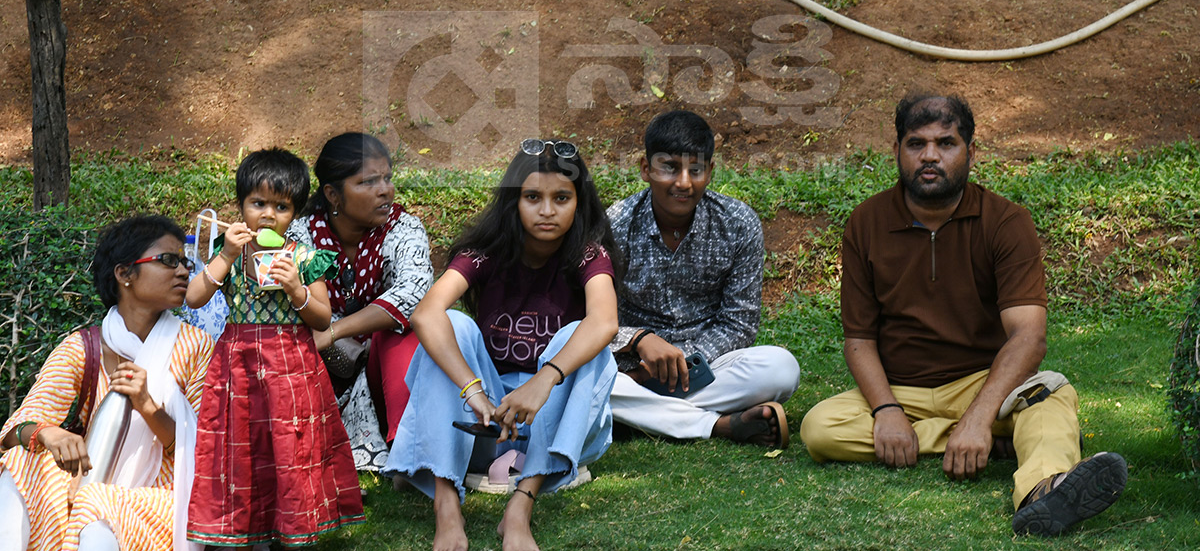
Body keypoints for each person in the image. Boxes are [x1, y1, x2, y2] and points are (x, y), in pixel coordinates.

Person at [799, 93, 1128, 537]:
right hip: (903, 389)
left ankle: (1042, 491)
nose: (930, 156)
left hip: (984, 383)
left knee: (1050, 395)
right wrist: (887, 410)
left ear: (970, 152)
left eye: (946, 143)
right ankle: (995, 444)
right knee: (819, 429)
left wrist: (977, 416)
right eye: (916, 143)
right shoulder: (866, 221)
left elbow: (1028, 337)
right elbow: (859, 338)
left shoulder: (1006, 222)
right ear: (897, 151)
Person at [385, 139, 618, 551]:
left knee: (582, 337)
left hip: (559, 429)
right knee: (452, 324)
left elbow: (605, 322)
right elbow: (425, 313)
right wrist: (473, 391)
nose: (547, 210)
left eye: (561, 198)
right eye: (533, 197)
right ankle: (447, 504)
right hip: (483, 425)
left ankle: (520, 507)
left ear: (579, 203)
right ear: (515, 200)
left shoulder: (588, 254)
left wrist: (544, 380)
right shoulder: (487, 252)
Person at [0, 215, 214, 551]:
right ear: (124, 273)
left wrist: (148, 406)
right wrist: (47, 432)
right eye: (169, 261)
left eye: (185, 262)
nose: (185, 272)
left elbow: (203, 451)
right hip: (90, 480)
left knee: (98, 503)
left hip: (163, 498)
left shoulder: (195, 346)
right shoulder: (84, 348)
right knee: (21, 463)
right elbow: (14, 430)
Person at [185, 149, 362, 547]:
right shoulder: (230, 253)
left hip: (292, 367)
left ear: (294, 214)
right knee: (243, 443)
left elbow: (322, 318)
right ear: (241, 205)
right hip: (239, 365)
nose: (268, 215)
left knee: (290, 446)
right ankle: (247, 527)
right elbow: (195, 297)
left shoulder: (303, 257)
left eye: (281, 207)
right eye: (257, 203)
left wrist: (296, 289)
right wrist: (226, 255)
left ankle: (293, 524)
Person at [606, 110, 799, 447]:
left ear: (710, 172)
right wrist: (639, 340)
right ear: (645, 168)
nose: (683, 182)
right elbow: (593, 318)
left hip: (706, 367)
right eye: (669, 167)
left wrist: (678, 361)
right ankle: (719, 425)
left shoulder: (738, 225)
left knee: (781, 368)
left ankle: (633, 416)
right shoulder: (615, 225)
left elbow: (738, 324)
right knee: (588, 378)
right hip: (629, 368)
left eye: (695, 170)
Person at [285, 132, 434, 471]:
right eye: (368, 182)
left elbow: (413, 293)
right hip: (322, 370)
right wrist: (325, 337)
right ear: (333, 194)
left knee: (401, 330)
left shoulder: (404, 228)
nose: (384, 190)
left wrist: (334, 330)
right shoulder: (302, 235)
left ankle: (404, 449)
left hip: (386, 369)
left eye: (387, 178)